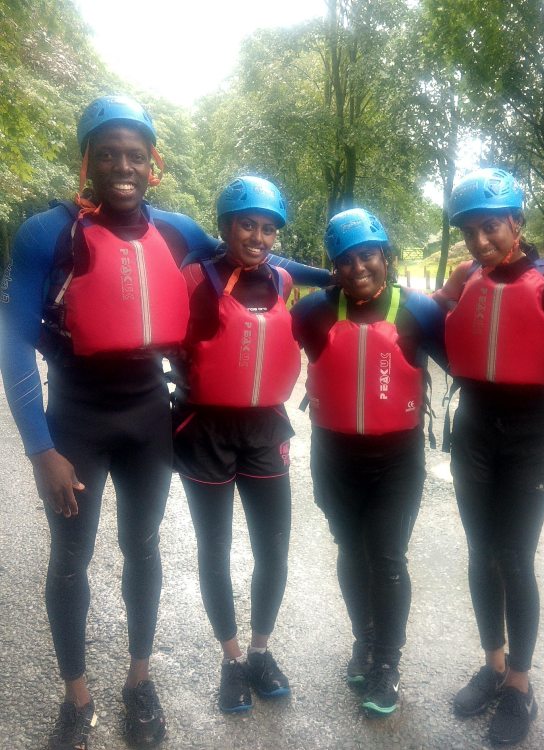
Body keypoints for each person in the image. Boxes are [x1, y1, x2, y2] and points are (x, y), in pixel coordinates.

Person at [0, 95, 328, 750]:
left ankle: (138, 682)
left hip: (149, 411)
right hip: (76, 418)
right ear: (87, 160)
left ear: (154, 164)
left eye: (136, 154)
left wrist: (344, 277)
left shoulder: (177, 231)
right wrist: (41, 450)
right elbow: (12, 343)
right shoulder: (47, 233)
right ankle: (77, 698)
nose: (123, 164)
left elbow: (256, 262)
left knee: (142, 548)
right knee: (71, 556)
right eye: (109, 153)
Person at [433, 168, 544, 746]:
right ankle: (492, 666)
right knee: (480, 552)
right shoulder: (465, 275)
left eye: (491, 227)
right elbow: (424, 322)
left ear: (517, 222)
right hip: (473, 427)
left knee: (514, 556)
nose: (479, 241)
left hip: (531, 431)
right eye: (469, 231)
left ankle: (520, 685)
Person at [291, 208, 445, 716]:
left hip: (396, 458)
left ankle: (387, 661)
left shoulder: (418, 311)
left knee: (386, 556)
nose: (358, 268)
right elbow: (263, 274)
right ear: (333, 266)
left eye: (368, 255)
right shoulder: (313, 312)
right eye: (345, 261)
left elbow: (467, 364)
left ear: (386, 257)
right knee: (350, 552)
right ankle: (364, 639)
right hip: (333, 457)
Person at [173, 176, 300, 713]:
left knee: (273, 547)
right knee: (216, 549)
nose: (259, 236)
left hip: (266, 430)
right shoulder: (195, 280)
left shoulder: (284, 281)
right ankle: (230, 662)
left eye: (269, 228)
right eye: (248, 224)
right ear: (226, 226)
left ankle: (259, 652)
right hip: (205, 429)